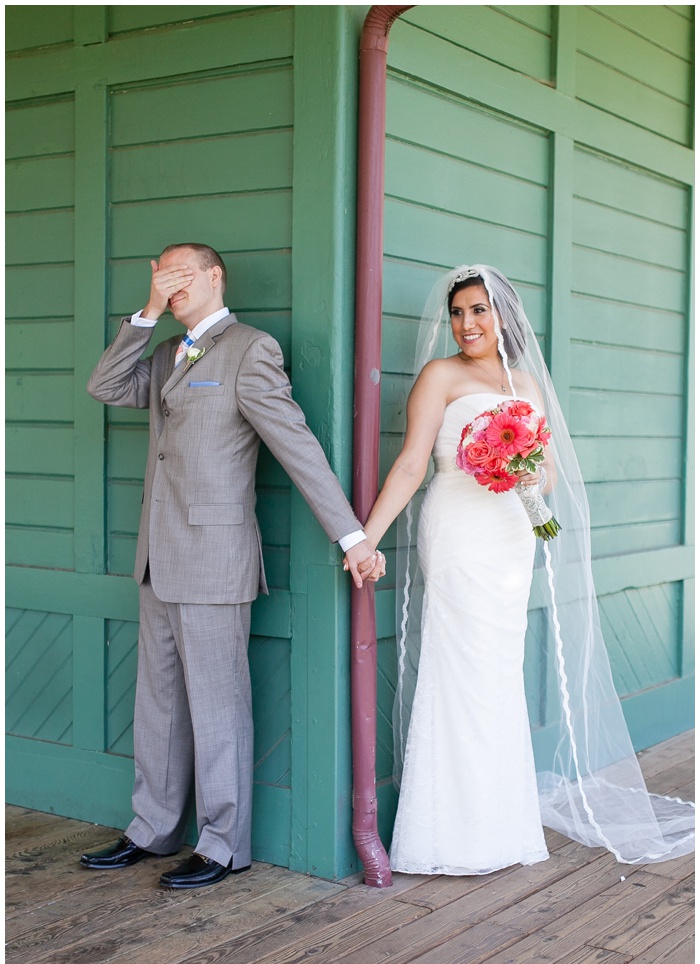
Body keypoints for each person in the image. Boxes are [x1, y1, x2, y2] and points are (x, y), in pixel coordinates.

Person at [356, 264, 694, 875]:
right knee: (460, 665)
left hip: (512, 533)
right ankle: (448, 832)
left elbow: (550, 471)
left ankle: (499, 823)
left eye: (479, 310)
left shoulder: (526, 381)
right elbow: (411, 465)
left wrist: (526, 473)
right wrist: (366, 540)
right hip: (459, 527)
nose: (467, 324)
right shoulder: (441, 375)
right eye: (458, 313)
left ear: (503, 315)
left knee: (497, 672)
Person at [81, 243, 382, 889]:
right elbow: (105, 385)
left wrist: (352, 536)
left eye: (181, 273)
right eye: (161, 274)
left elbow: (296, 445)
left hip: (215, 561)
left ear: (215, 276)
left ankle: (223, 844)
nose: (170, 283)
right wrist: (147, 311)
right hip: (156, 560)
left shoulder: (251, 349)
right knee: (158, 706)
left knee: (217, 708)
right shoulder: (164, 353)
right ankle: (152, 828)